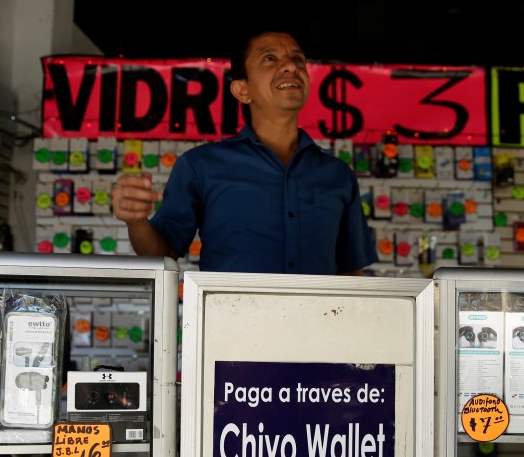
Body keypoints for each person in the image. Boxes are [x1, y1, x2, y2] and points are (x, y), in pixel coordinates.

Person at [111, 28, 376, 275]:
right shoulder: (200, 166)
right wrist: (136, 222)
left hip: (320, 324)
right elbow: (163, 255)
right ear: (242, 90)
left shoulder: (338, 175)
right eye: (270, 59)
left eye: (298, 59)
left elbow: (352, 273)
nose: (291, 66)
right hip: (227, 324)